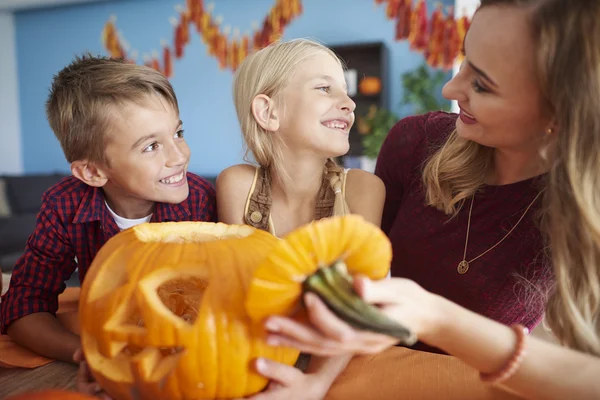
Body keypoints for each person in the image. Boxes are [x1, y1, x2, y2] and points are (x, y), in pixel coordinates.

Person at [260, 1, 600, 399]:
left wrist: (436, 318)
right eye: (465, 61)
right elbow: (358, 280)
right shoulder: (414, 143)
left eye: (482, 85)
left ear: (559, 115)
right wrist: (315, 382)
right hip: (361, 374)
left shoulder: (586, 213)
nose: (450, 90)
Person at [0, 54, 217, 367]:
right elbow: (23, 304)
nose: (180, 155)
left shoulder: (201, 200)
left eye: (178, 133)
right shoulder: (63, 206)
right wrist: (87, 354)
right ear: (92, 173)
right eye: (151, 146)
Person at [216, 39, 385, 399]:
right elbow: (238, 297)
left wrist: (315, 383)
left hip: (339, 363)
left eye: (346, 90)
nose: (350, 103)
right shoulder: (236, 186)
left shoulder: (363, 190)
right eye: (325, 88)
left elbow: (361, 307)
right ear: (268, 112)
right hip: (260, 357)